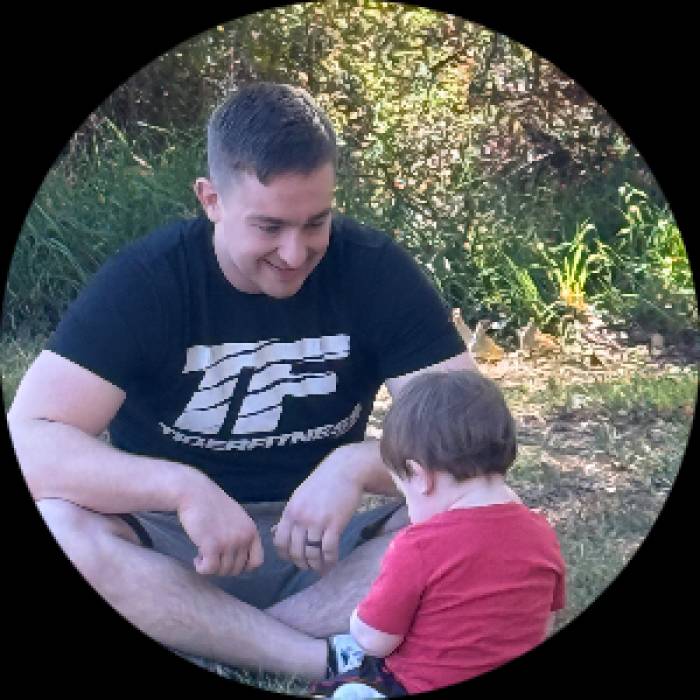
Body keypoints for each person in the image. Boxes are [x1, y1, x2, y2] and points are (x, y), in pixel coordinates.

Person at [7, 82, 476, 680]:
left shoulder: (373, 269)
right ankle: (317, 658)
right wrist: (181, 487)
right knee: (60, 525)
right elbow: (30, 440)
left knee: (475, 516)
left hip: (329, 549)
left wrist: (355, 465)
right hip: (174, 545)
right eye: (269, 226)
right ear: (211, 200)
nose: (295, 252)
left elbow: (473, 438)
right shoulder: (149, 280)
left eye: (316, 223)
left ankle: (217, 634)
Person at [313, 370, 565, 697]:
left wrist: (358, 620)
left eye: (404, 491)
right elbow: (545, 621)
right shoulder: (541, 534)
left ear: (419, 476)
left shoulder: (420, 546)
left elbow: (374, 640)